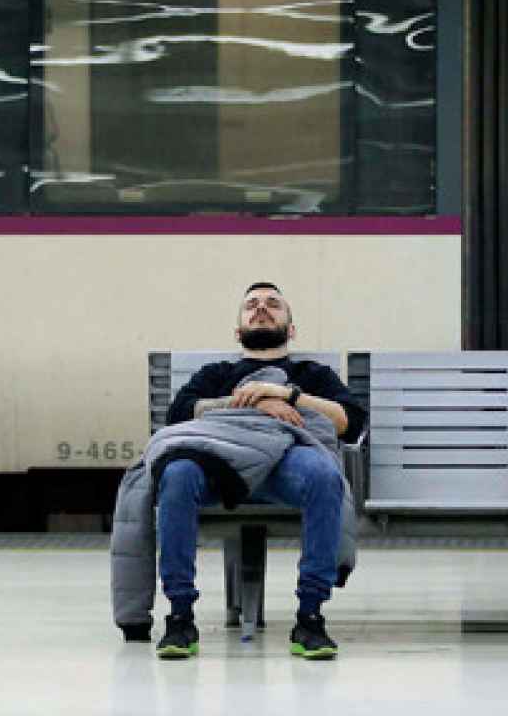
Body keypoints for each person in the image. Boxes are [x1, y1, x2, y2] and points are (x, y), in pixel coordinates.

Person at [154, 282, 367, 660]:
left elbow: (348, 423)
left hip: (287, 463)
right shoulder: (216, 373)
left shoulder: (310, 373)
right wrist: (255, 405)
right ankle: (180, 615)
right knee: (177, 474)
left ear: (292, 328)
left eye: (273, 304)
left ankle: (310, 616)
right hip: (221, 463)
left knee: (323, 475)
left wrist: (288, 396)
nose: (262, 308)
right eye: (252, 305)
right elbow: (179, 415)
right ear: (239, 330)